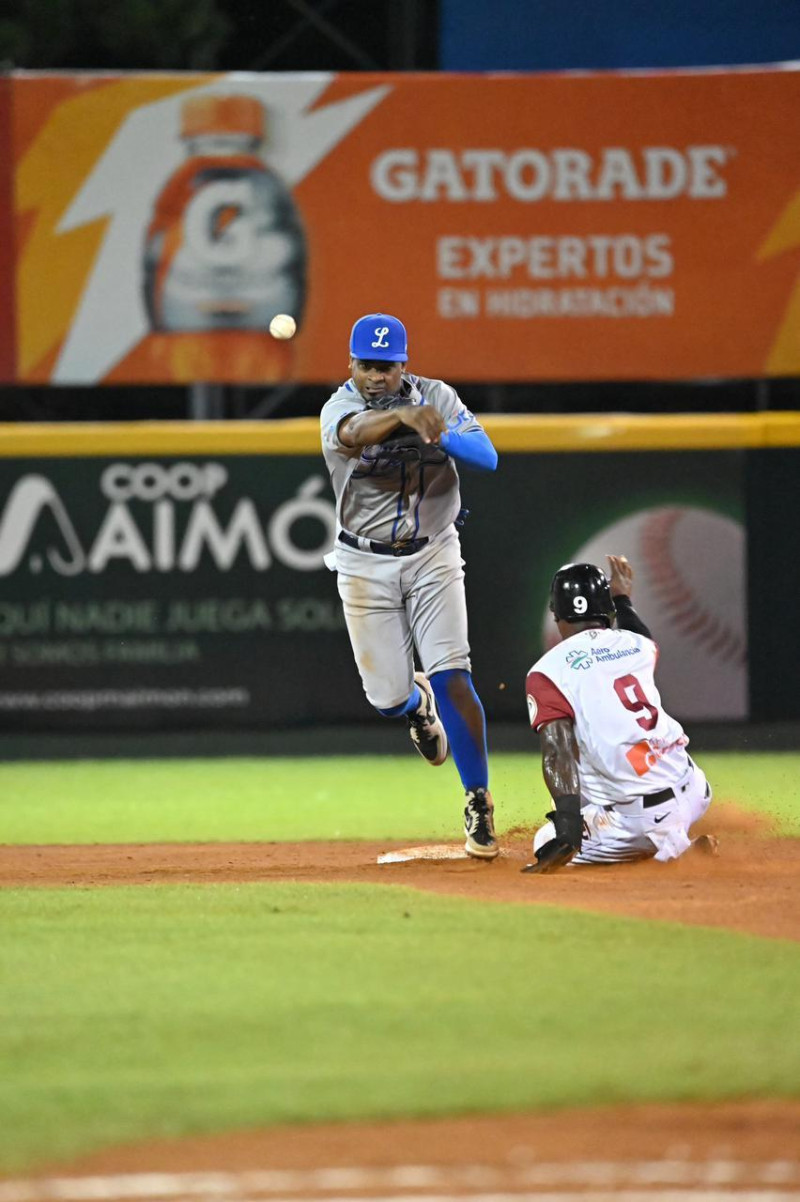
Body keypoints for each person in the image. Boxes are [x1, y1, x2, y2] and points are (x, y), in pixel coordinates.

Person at [320, 313, 500, 859]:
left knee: (454, 675)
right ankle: (413, 707)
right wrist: (404, 419)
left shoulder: (437, 397)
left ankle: (478, 800)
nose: (376, 376)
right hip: (364, 562)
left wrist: (437, 429)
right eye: (366, 365)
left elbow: (488, 458)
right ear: (350, 365)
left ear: (405, 364)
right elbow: (354, 435)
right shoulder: (339, 407)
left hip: (432, 554)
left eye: (387, 366)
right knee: (387, 698)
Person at [523, 555, 716, 873]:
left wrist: (568, 832)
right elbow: (639, 632)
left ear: (556, 614)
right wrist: (623, 598)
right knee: (591, 772)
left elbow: (557, 754)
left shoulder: (547, 672)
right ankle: (676, 834)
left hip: (638, 820)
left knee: (545, 837)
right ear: (607, 610)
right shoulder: (636, 644)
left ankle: (674, 850)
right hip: (695, 790)